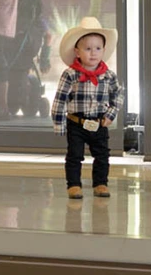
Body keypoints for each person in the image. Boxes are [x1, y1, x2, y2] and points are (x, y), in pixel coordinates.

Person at [50, 17, 123, 199]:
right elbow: (60, 99)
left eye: (98, 49)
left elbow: (119, 95)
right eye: (88, 49)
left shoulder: (108, 75)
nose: (93, 53)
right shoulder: (70, 74)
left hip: (99, 121)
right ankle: (74, 184)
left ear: (104, 51)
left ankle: (100, 183)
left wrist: (111, 113)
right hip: (76, 122)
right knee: (75, 155)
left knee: (102, 155)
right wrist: (60, 124)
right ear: (77, 51)